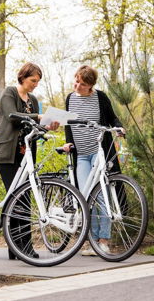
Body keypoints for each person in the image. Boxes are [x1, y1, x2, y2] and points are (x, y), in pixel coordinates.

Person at [0, 62, 59, 260]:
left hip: (27, 154)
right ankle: (23, 246)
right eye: (33, 80)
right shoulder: (9, 93)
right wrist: (39, 116)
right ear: (22, 77)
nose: (35, 84)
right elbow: (13, 117)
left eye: (38, 81)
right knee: (17, 199)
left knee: (24, 198)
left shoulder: (33, 99)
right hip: (8, 153)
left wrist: (49, 126)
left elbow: (35, 125)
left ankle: (15, 247)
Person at [63, 65, 125, 256]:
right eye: (76, 81)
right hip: (81, 154)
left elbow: (112, 119)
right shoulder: (70, 98)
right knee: (86, 197)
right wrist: (68, 143)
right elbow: (68, 124)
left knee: (101, 196)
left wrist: (119, 128)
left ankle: (103, 241)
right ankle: (92, 242)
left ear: (90, 86)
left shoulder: (100, 97)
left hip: (99, 153)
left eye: (82, 84)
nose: (77, 86)